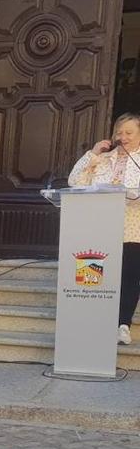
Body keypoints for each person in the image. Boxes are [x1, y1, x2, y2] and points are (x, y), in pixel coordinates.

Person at [68, 112, 140, 345]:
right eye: (119, 132)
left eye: (129, 132)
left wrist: (128, 191)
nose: (123, 137)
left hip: (133, 227)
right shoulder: (104, 159)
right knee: (98, 275)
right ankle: (95, 320)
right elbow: (75, 182)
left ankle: (122, 325)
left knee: (129, 277)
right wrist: (93, 153)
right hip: (100, 228)